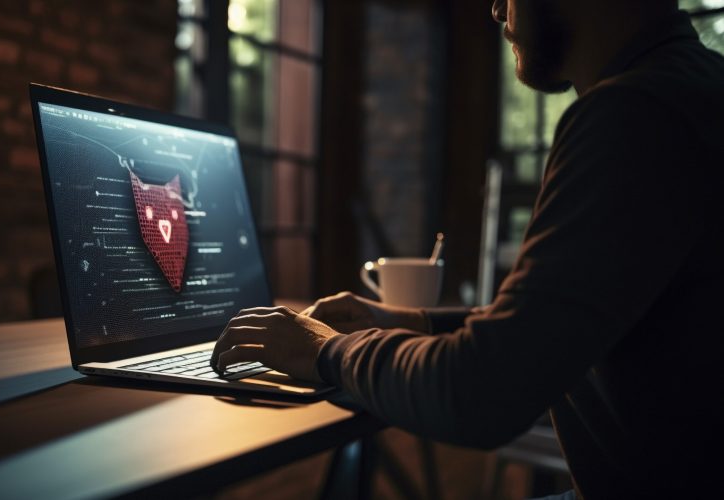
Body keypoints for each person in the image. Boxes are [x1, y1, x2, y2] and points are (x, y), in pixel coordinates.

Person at [211, 0, 724, 497]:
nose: (497, 9)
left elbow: (481, 392)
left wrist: (324, 350)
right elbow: (545, 333)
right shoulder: (694, 84)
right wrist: (409, 321)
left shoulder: (635, 113)